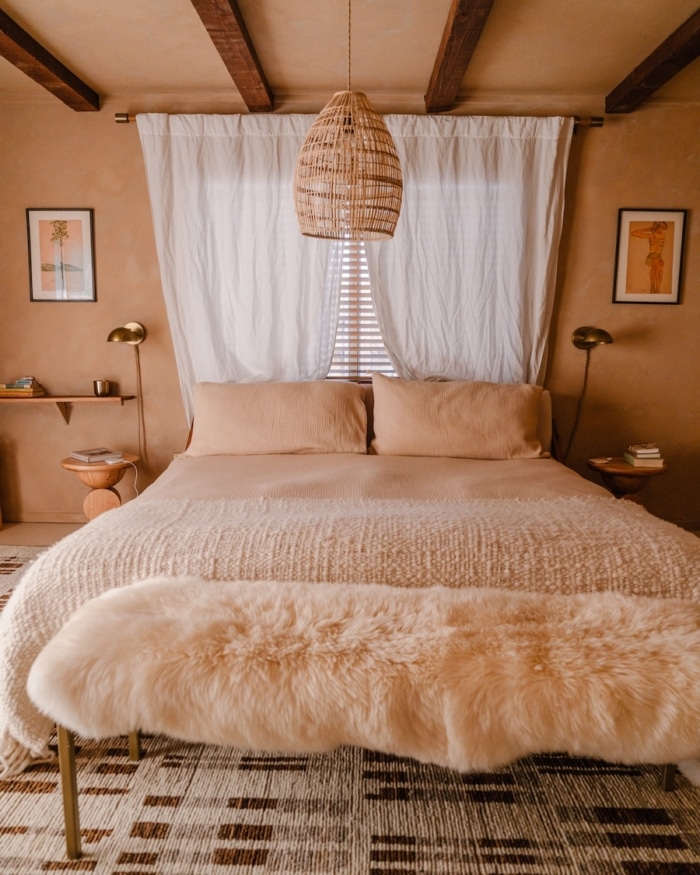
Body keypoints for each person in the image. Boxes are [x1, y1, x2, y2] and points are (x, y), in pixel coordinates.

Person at [630, 221, 667, 294]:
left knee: (658, 266)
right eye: (660, 228)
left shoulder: (664, 235)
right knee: (659, 264)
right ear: (656, 228)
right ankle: (656, 289)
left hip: (659, 256)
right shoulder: (651, 235)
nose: (661, 230)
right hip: (651, 257)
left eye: (663, 228)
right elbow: (633, 233)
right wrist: (648, 229)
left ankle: (654, 287)